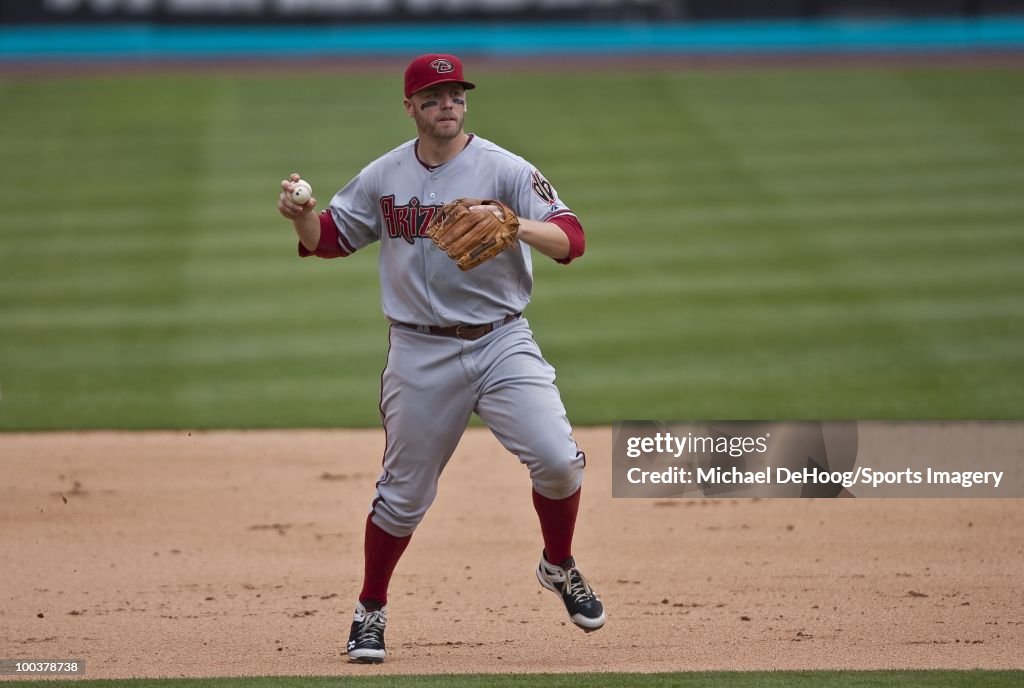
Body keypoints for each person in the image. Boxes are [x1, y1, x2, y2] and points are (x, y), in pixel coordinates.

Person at [276, 53, 604, 664]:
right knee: (403, 497)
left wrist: (514, 224)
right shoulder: (384, 176)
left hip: (502, 339)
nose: (446, 105)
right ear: (410, 108)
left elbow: (573, 239)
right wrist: (300, 219)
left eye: (455, 95)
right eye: (432, 98)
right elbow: (331, 239)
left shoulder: (506, 170)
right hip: (419, 351)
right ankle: (369, 610)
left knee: (559, 462)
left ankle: (558, 564)